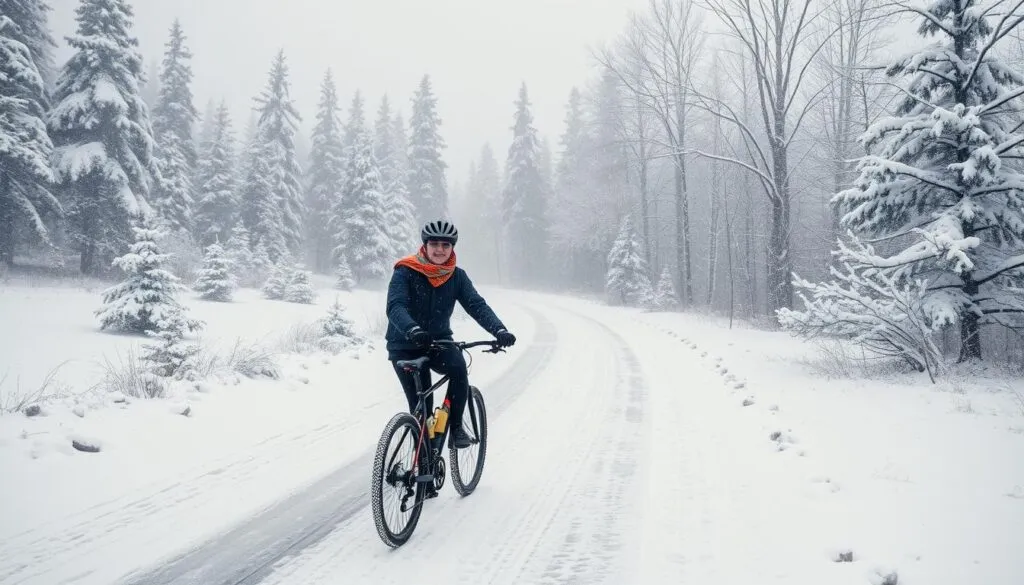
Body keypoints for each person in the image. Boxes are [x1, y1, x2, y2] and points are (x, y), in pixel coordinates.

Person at [385, 220, 516, 449]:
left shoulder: (456, 277)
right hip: (404, 344)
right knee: (421, 410)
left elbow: (476, 305)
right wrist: (412, 329)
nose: (439, 249)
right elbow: (395, 306)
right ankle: (421, 462)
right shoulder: (406, 271)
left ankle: (455, 427)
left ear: (452, 248)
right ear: (425, 245)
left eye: (445, 245)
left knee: (457, 367)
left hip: (437, 343)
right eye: (434, 243)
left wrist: (499, 329)